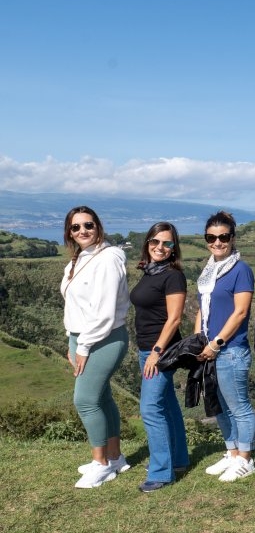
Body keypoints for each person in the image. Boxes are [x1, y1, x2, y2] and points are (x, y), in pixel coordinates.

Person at [61, 206, 131, 489]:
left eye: (88, 225)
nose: (82, 231)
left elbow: (104, 312)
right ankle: (114, 457)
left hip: (104, 337)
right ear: (69, 232)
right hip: (84, 336)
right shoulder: (80, 258)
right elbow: (74, 305)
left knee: (85, 400)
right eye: (75, 227)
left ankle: (100, 465)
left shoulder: (108, 258)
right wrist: (72, 338)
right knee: (101, 397)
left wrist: (83, 345)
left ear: (98, 226)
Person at [196, 211, 255, 482]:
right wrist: (198, 341)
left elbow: (240, 312)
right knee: (220, 406)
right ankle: (232, 453)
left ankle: (245, 459)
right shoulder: (209, 271)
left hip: (230, 349)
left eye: (223, 237)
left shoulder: (240, 270)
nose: (217, 242)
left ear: (232, 238)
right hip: (209, 349)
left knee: (238, 406)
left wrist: (216, 343)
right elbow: (202, 308)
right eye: (211, 237)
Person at [131, 222, 190, 492]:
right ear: (147, 243)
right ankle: (178, 460)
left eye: (167, 243)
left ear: (174, 248)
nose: (160, 247)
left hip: (161, 351)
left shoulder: (173, 276)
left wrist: (156, 352)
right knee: (167, 405)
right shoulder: (149, 271)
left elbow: (174, 318)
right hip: (147, 348)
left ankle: (161, 473)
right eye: (155, 241)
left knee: (150, 409)